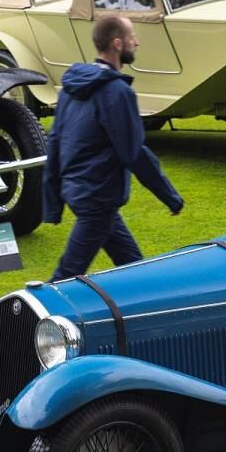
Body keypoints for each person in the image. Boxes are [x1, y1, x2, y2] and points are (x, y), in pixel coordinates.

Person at [44, 16, 183, 280]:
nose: (137, 42)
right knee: (66, 276)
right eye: (133, 38)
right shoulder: (118, 92)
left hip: (83, 193)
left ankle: (143, 308)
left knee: (132, 266)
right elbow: (134, 152)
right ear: (118, 44)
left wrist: (53, 203)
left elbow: (54, 142)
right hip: (96, 198)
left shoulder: (70, 88)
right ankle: (29, 319)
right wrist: (170, 196)